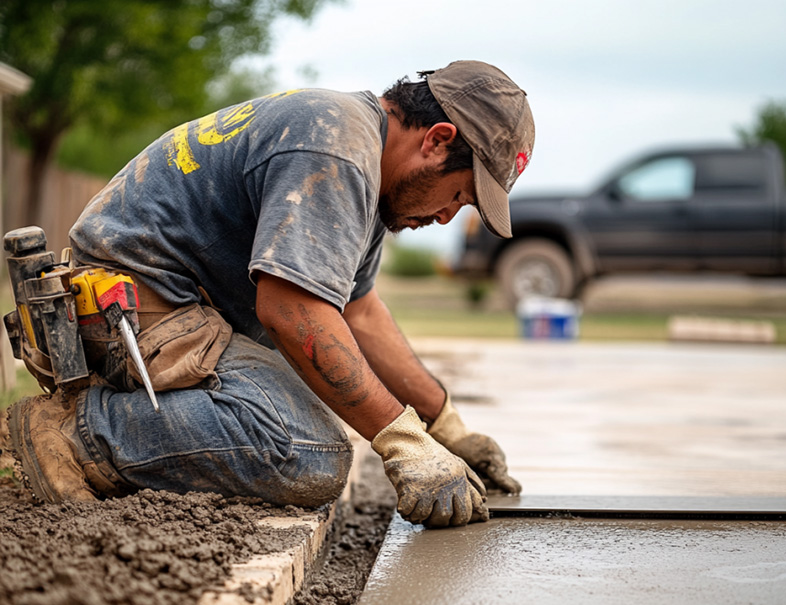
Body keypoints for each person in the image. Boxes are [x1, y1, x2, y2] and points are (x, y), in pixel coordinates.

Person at [7, 60, 534, 528]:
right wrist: (402, 443)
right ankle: (77, 435)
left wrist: (443, 425)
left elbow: (359, 311)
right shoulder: (338, 149)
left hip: (171, 307)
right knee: (308, 448)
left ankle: (114, 429)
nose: (447, 216)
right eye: (460, 194)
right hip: (127, 302)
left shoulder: (363, 162)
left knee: (326, 414)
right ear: (438, 140)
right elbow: (290, 310)